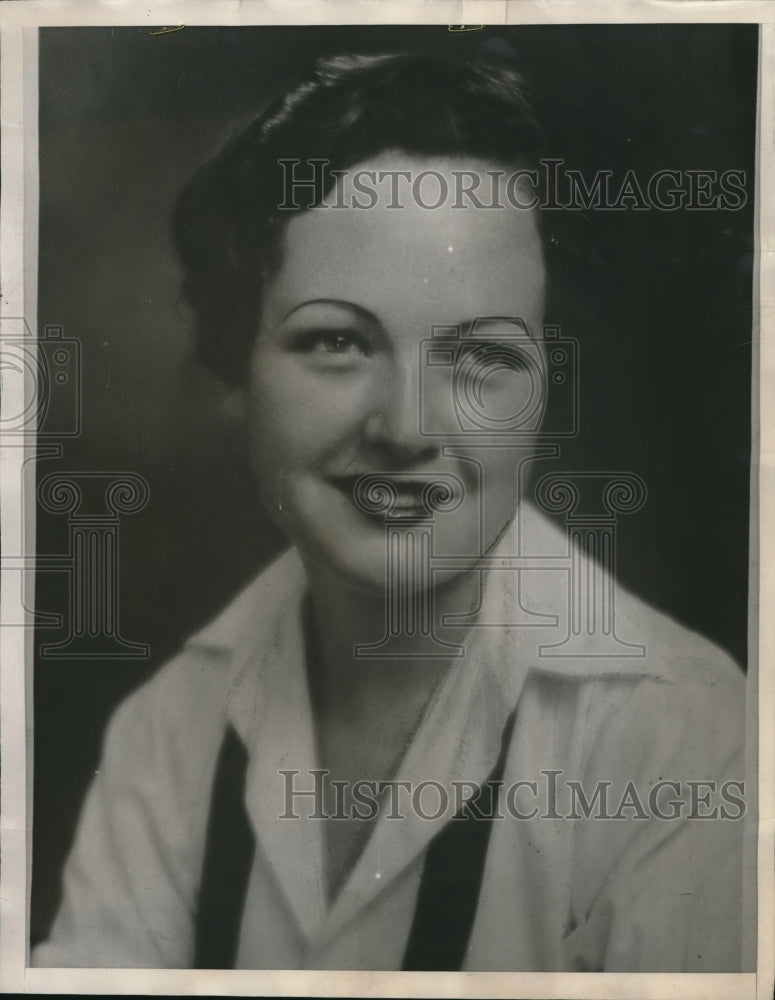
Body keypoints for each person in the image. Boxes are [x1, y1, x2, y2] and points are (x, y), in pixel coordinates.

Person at [32, 51, 748, 972]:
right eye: (336, 340)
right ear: (235, 368)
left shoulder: (686, 742)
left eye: (481, 356)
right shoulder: (168, 731)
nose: (407, 426)